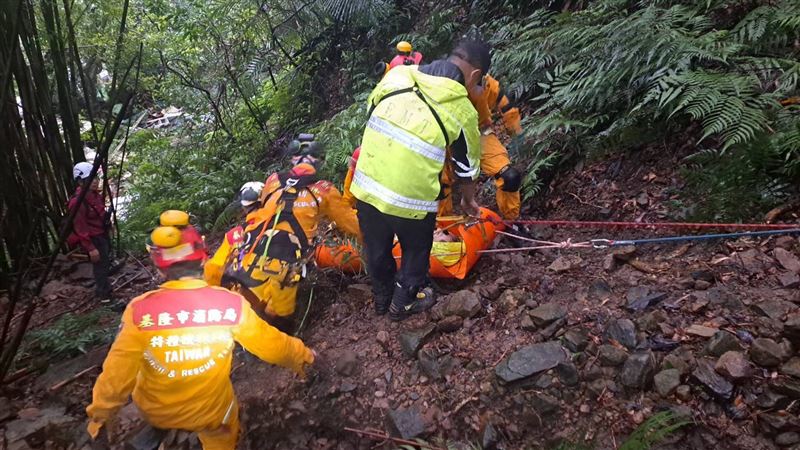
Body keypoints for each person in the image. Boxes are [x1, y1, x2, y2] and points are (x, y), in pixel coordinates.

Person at [86, 210, 315, 450]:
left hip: (156, 410)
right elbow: (273, 347)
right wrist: (304, 357)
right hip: (211, 412)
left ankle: (160, 434)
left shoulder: (140, 310)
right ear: (203, 259)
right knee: (223, 431)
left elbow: (117, 371)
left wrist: (100, 417)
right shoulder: (230, 304)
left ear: (159, 267)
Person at [349, 39, 487, 321]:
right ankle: (403, 304)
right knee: (415, 251)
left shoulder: (396, 76)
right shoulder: (462, 109)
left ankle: (381, 299)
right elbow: (466, 168)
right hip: (409, 199)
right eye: (479, 83)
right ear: (475, 76)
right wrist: (467, 200)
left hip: (367, 187)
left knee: (376, 248)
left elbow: (372, 114)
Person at [210, 135, 360, 329]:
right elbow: (352, 225)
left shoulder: (272, 181)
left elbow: (264, 215)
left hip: (249, 254)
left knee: (246, 306)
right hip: (285, 265)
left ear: (291, 160)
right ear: (319, 161)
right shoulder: (324, 191)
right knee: (279, 319)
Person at [438, 69, 524, 220]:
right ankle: (444, 225)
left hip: (479, 134)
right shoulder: (435, 85)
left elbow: (506, 105)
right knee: (439, 186)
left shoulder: (485, 83)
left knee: (509, 177)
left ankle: (512, 222)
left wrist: (517, 136)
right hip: (444, 139)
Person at [203, 181, 265, 286]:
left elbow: (215, 268)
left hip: (242, 292)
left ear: (244, 208)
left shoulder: (234, 235)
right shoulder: (283, 229)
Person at [67, 162, 113, 301]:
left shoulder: (95, 195)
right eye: (90, 179)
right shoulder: (77, 202)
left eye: (96, 178)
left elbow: (99, 213)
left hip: (101, 234)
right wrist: (91, 248)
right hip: (93, 238)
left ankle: (106, 289)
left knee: (104, 263)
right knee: (100, 266)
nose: (95, 182)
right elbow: (80, 227)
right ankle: (104, 296)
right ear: (80, 182)